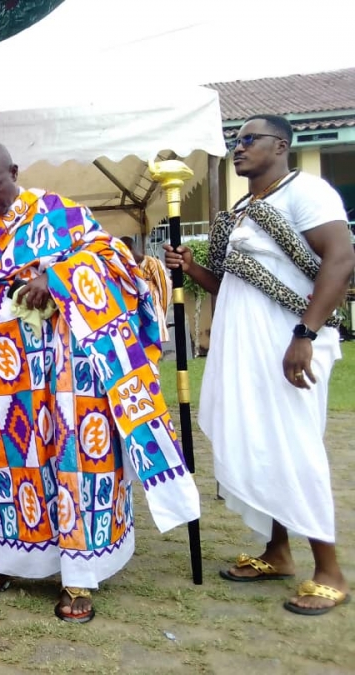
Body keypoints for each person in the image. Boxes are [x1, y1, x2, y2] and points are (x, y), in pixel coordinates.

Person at [0, 141, 200, 622]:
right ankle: (1, 563)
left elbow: (113, 258)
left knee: (75, 458)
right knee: (6, 463)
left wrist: (57, 276)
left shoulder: (56, 211)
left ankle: (79, 573)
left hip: (68, 368)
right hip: (1, 372)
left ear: (14, 172)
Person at [165, 114, 355, 616]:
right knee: (260, 440)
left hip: (289, 344)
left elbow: (340, 259)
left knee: (293, 446)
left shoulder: (305, 192)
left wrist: (304, 335)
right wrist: (191, 269)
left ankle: (329, 571)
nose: (239, 148)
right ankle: (278, 552)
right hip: (245, 346)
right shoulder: (246, 208)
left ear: (281, 145)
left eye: (249, 140)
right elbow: (235, 287)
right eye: (235, 141)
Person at [120, 236, 172, 343]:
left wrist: (162, 316)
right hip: (138, 319)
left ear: (129, 249)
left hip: (154, 315)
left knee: (154, 350)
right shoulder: (129, 268)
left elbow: (165, 289)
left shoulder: (152, 263)